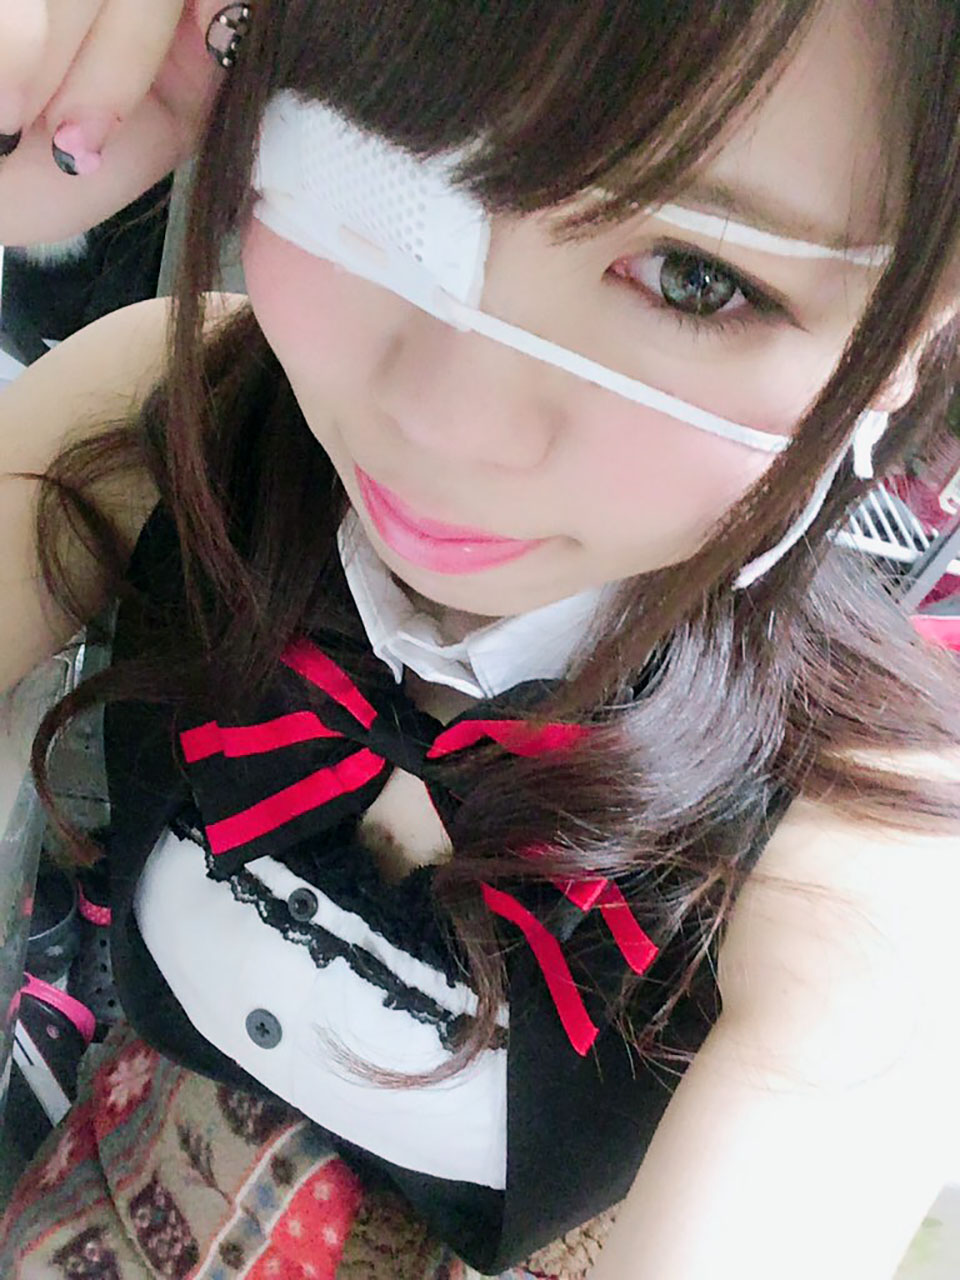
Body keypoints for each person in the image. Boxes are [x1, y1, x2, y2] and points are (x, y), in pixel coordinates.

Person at [0, 1, 959, 1276]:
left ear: (906, 345)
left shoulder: (865, 840)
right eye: (378, 153)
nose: (446, 421)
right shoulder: (175, 414)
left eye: (696, 277)